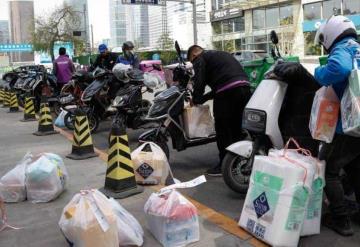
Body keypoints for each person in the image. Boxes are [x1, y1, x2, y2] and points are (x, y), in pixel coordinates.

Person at [314, 15, 360, 236]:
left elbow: (339, 68)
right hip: (358, 126)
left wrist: (318, 74)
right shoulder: (357, 48)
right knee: (355, 167)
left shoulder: (342, 48)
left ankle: (341, 219)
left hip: (350, 125)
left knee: (328, 169)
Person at [187, 45, 251, 176]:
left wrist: (196, 98)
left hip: (228, 92)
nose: (194, 64)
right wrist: (203, 99)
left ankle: (224, 164)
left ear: (193, 56)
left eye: (192, 61)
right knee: (236, 128)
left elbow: (200, 82)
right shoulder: (219, 54)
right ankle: (238, 161)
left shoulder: (200, 59)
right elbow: (220, 85)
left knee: (222, 128)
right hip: (244, 87)